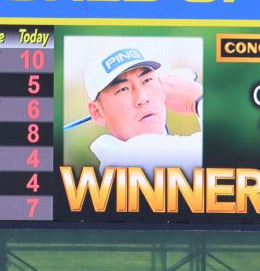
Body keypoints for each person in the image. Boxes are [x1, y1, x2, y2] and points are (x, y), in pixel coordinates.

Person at [84, 46, 203, 180]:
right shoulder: (131, 159)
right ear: (97, 112)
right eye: (123, 89)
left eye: (147, 80)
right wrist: (197, 98)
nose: (143, 98)